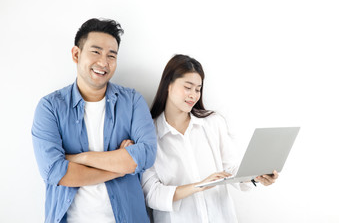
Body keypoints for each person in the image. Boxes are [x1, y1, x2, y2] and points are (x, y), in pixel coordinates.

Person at [32, 18, 157, 223]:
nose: (103, 62)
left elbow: (146, 156)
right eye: (96, 51)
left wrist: (80, 158)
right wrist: (121, 166)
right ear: (76, 54)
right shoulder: (50, 108)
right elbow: (56, 172)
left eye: (111, 55)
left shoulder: (133, 101)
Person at [141, 54, 279, 223]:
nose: (193, 95)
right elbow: (152, 194)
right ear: (168, 85)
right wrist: (199, 186)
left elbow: (231, 169)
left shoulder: (212, 123)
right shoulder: (148, 133)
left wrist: (255, 177)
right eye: (188, 87)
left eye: (198, 89)